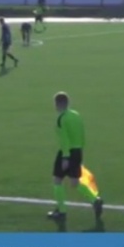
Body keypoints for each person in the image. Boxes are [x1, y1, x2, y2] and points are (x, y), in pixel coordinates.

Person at [48, 92, 103, 222]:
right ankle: (95, 200)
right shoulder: (76, 115)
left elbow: (64, 139)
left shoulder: (61, 119)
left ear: (57, 104)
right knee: (75, 182)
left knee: (57, 180)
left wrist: (65, 157)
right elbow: (82, 134)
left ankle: (61, 212)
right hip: (78, 151)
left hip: (67, 152)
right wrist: (80, 153)